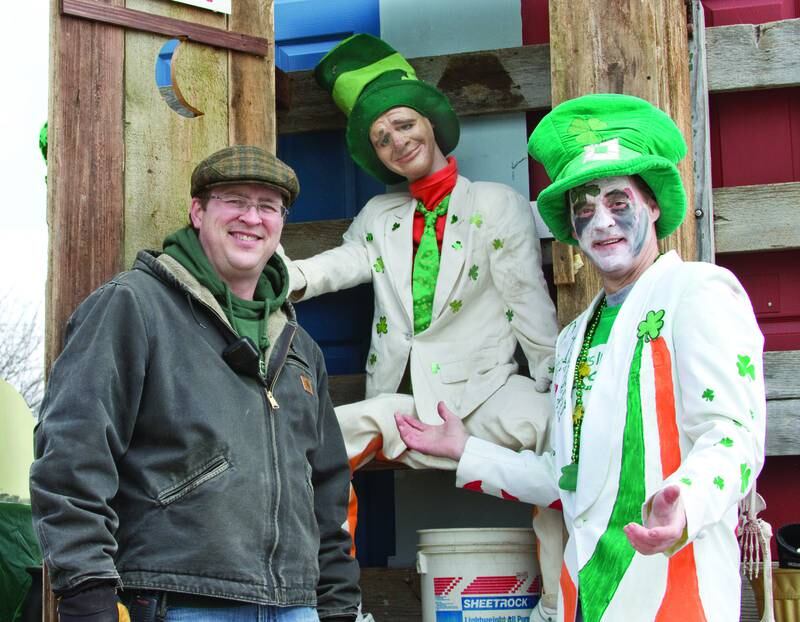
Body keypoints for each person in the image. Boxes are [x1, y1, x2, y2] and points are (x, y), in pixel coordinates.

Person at [396, 93, 767, 622]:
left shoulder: (698, 292)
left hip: (676, 596)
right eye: (585, 209)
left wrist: (685, 502)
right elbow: (568, 481)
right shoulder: (574, 337)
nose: (602, 222)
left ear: (653, 205)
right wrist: (466, 450)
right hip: (585, 596)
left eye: (619, 203)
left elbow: (733, 436)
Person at [286, 34, 563, 620]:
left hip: (488, 392)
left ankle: (560, 609)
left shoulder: (496, 203)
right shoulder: (379, 216)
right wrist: (283, 277)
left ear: (431, 125)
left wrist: (556, 384)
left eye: (404, 124)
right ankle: (333, 606)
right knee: (314, 444)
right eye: (382, 138)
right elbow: (344, 264)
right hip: (404, 403)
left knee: (564, 444)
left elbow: (525, 301)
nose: (397, 142)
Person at [29, 146, 360, 622]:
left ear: (281, 223)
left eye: (268, 206)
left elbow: (328, 491)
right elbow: (71, 452)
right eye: (234, 200)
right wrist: (86, 589)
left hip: (296, 607)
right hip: (177, 600)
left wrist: (338, 606)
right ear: (198, 210)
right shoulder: (132, 306)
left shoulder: (300, 347)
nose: (252, 217)